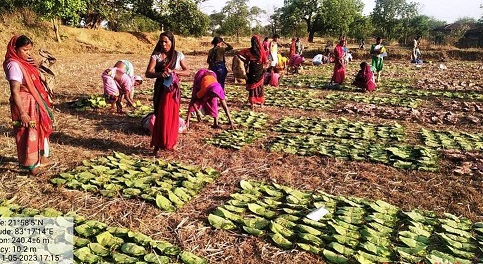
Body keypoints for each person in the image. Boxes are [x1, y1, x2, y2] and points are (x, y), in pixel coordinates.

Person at [3, 35, 54, 176]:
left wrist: (35, 65)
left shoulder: (25, 62)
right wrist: (22, 113)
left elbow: (34, 77)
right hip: (24, 103)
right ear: (14, 49)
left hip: (35, 100)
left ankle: (42, 157)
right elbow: (15, 91)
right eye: (25, 50)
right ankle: (31, 166)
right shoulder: (13, 65)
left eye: (30, 50)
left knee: (40, 129)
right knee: (28, 133)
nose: (28, 53)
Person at [145, 31, 190, 155]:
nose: (163, 44)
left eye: (166, 41)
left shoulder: (178, 55)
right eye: (161, 41)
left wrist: (175, 71)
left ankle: (171, 143)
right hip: (161, 89)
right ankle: (157, 145)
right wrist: (160, 74)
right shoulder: (156, 56)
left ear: (172, 42)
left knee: (172, 116)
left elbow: (187, 71)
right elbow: (148, 73)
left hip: (173, 90)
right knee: (160, 116)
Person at [238, 35, 267, 109]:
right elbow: (265, 60)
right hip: (259, 68)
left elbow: (239, 53)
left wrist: (245, 60)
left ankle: (252, 103)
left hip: (252, 68)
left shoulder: (248, 50)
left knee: (252, 85)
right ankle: (260, 103)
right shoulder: (261, 50)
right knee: (260, 85)